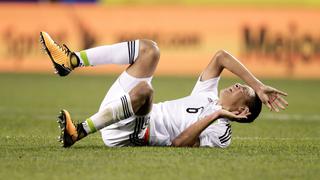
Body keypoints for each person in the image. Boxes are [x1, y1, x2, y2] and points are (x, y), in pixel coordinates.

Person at [40, 31, 288, 148]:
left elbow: (179, 144)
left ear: (242, 111)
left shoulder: (221, 133)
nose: (236, 84)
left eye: (242, 90)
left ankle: (79, 132)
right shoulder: (208, 96)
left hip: (134, 133)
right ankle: (70, 61)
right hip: (120, 112)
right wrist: (257, 85)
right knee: (150, 50)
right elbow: (221, 56)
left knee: (145, 92)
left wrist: (217, 115)